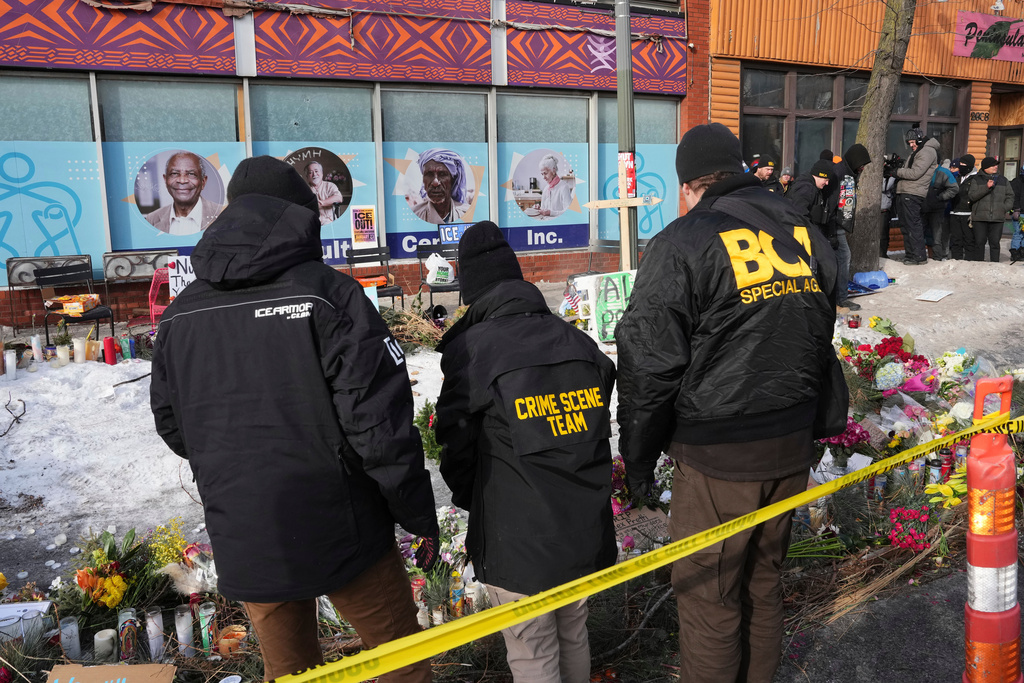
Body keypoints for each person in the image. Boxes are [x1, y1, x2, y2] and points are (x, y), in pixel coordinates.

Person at [150, 156, 438, 682]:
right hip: (342, 526)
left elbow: (171, 422)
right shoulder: (329, 295)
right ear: (299, 215)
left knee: (289, 673)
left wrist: (232, 466)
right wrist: (417, 515)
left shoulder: (181, 314)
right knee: (401, 663)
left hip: (248, 531)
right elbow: (380, 425)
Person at [616, 123, 837, 683]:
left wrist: (638, 462)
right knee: (763, 585)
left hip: (718, 456)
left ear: (689, 185)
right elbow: (819, 327)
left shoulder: (685, 240)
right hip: (791, 445)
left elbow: (649, 363)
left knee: (709, 601)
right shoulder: (802, 230)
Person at [433, 221, 616, 683]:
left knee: (533, 649)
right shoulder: (577, 342)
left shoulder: (474, 350)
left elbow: (456, 445)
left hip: (517, 538)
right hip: (581, 528)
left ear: (471, 289)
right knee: (573, 631)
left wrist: (470, 496)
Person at [824, 144, 872, 312]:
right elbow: (830, 203)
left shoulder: (850, 173)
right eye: (861, 164)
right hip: (833, 224)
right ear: (854, 161)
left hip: (839, 224)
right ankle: (841, 298)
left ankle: (838, 296)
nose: (863, 168)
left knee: (840, 259)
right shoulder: (839, 173)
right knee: (843, 257)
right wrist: (831, 232)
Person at [146, 151, 224, 235]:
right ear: (165, 180)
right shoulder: (152, 219)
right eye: (174, 173)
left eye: (191, 174)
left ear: (203, 182)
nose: (182, 180)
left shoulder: (223, 215)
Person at [894, 128, 939, 265]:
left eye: (913, 142)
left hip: (913, 192)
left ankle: (918, 256)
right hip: (907, 191)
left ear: (920, 139)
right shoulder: (919, 151)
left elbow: (915, 173)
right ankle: (911, 255)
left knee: (913, 225)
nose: (911, 145)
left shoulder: (927, 151)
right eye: (909, 143)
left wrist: (896, 171)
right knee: (906, 226)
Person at [968, 156, 1014, 262]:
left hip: (997, 217)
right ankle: (978, 265)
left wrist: (1004, 208)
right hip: (980, 217)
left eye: (996, 165)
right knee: (979, 243)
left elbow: (1010, 196)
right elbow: (972, 196)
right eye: (993, 165)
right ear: (985, 167)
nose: (996, 167)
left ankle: (995, 265)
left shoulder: (1003, 180)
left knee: (995, 243)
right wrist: (986, 187)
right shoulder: (976, 179)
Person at [410, 148, 470, 224]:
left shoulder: (467, 213)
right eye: (429, 174)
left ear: (453, 180)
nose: (435, 182)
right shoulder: (414, 214)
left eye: (442, 174)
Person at [786, 159, 832, 240]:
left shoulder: (812, 187)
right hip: (801, 236)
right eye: (826, 180)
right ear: (819, 175)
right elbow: (799, 213)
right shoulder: (806, 188)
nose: (827, 183)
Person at [921, 161, 959, 261]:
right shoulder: (923, 170)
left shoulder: (943, 172)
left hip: (937, 209)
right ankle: (921, 257)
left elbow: (954, 188)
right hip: (922, 207)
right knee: (920, 234)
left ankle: (937, 258)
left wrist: (941, 197)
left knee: (936, 235)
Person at [948, 155, 976, 260]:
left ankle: (969, 262)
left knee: (969, 240)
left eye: (964, 165)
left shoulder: (975, 179)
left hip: (967, 213)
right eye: (960, 165)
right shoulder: (956, 178)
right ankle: (956, 261)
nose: (961, 167)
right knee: (955, 240)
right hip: (955, 212)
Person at [304, 161, 344, 226]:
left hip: (329, 221)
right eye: (310, 172)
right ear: (307, 176)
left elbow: (338, 198)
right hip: (310, 223)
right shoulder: (304, 189)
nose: (314, 174)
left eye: (316, 171)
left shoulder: (330, 185)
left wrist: (321, 203)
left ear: (322, 173)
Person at [1009, 165, 1024, 261]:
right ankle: (1015, 252)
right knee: (1018, 233)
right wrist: (1016, 209)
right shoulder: (1016, 182)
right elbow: (1014, 197)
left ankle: (1022, 251)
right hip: (1019, 212)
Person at [880, 172, 897, 258]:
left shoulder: (890, 178)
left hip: (885, 209)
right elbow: (884, 187)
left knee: (884, 234)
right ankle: (881, 254)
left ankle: (883, 254)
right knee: (881, 234)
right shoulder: (880, 176)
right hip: (880, 208)